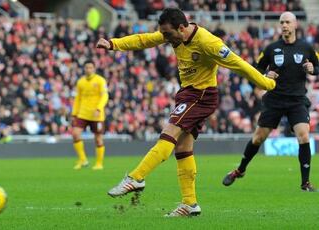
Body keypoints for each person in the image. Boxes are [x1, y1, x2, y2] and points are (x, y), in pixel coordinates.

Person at [96, 7, 276, 217]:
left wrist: (268, 83)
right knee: (182, 148)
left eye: (167, 34)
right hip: (188, 94)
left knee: (169, 133)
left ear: (182, 27)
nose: (164, 38)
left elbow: (239, 65)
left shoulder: (208, 42)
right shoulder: (173, 35)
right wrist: (113, 44)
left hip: (201, 95)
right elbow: (144, 40)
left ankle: (136, 177)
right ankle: (190, 204)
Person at [222, 12, 319, 192]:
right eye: (282, 22)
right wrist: (264, 76)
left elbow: (318, 67)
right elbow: (256, 70)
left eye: (287, 22)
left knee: (304, 136)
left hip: (297, 100)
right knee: (258, 138)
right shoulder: (271, 48)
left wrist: (313, 70)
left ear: (295, 24)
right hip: (274, 99)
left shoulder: (306, 48)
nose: (284, 25)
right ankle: (240, 170)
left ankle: (305, 183)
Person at [71, 60, 109, 170]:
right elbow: (78, 98)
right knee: (75, 134)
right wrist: (74, 113)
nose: (88, 69)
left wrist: (99, 108)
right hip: (82, 113)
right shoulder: (80, 82)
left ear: (94, 69)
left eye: (90, 67)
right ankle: (83, 160)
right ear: (84, 69)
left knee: (98, 139)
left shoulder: (100, 80)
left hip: (96, 114)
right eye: (86, 67)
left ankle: (99, 164)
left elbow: (105, 95)